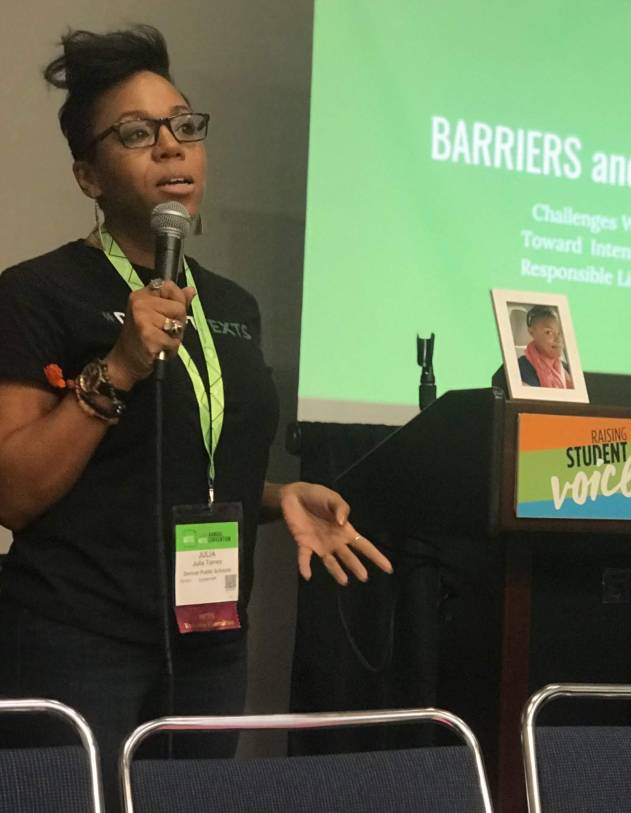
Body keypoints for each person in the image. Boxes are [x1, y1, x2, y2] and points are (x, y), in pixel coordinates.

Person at [0, 24, 391, 809]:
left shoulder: (232, 305)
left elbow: (181, 456)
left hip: (208, 637)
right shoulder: (36, 294)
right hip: (77, 640)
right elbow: (14, 492)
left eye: (184, 125)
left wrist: (276, 496)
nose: (171, 147)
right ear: (88, 175)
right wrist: (117, 368)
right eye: (135, 134)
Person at [518, 305, 574, 388]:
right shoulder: (519, 369)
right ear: (531, 332)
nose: (558, 339)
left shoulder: (568, 370)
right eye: (548, 332)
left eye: (560, 332)